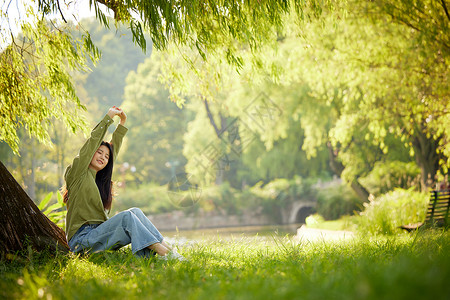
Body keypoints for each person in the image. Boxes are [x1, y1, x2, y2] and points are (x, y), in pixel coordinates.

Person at [62, 106, 184, 260]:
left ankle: (167, 251)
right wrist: (108, 118)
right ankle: (164, 253)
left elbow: (114, 151)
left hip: (98, 234)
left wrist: (122, 123)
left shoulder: (98, 180)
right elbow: (92, 142)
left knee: (135, 212)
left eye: (106, 157)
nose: (103, 157)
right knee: (126, 217)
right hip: (81, 241)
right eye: (99, 152)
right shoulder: (77, 173)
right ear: (91, 153)